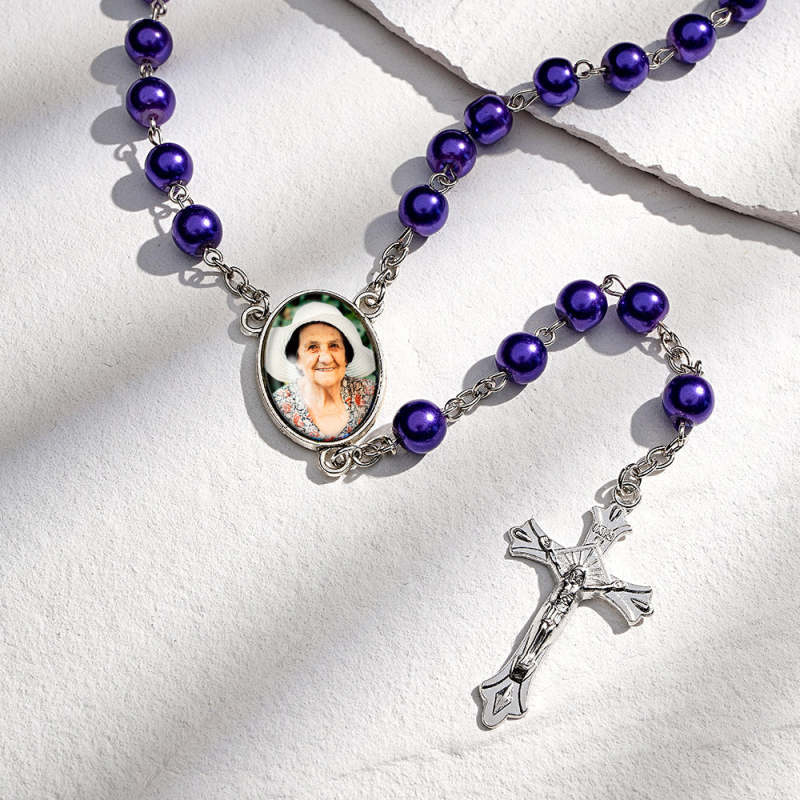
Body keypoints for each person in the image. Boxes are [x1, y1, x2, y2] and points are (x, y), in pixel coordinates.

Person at [266, 301, 377, 441]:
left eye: (334, 345)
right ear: (297, 359)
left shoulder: (368, 393)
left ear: (346, 356)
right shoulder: (282, 404)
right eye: (312, 347)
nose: (325, 358)